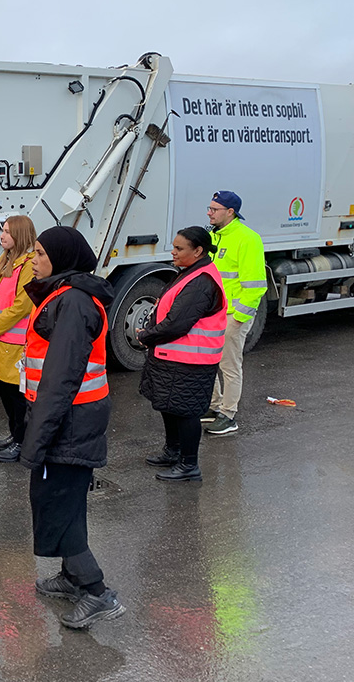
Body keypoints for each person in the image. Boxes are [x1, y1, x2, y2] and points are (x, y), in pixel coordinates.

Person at [17, 226, 125, 629]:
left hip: (69, 421)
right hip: (70, 418)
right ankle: (70, 576)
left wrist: (36, 440)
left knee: (58, 504)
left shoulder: (74, 303)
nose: (34, 259)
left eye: (41, 253)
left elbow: (60, 379)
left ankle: (96, 592)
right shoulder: (65, 296)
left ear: (62, 258)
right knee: (63, 501)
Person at [137, 227, 227, 482]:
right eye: (174, 247)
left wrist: (146, 336)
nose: (173, 252)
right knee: (171, 406)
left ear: (198, 251)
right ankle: (173, 451)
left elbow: (178, 323)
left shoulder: (201, 281)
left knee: (186, 412)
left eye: (179, 248)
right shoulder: (192, 273)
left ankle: (189, 465)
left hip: (191, 361)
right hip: (175, 358)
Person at [203, 191, 267, 435]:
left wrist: (240, 317)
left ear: (230, 212)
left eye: (214, 209)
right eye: (209, 208)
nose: (209, 212)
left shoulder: (247, 238)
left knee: (229, 365)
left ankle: (228, 415)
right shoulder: (214, 236)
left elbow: (256, 284)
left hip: (231, 314)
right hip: (213, 312)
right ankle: (214, 406)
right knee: (209, 361)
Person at [0, 215, 37, 463]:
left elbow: (21, 306)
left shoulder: (28, 265)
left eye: (7, 232)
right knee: (6, 394)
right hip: (0, 343)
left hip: (14, 346)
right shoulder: (6, 260)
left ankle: (22, 442)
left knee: (17, 398)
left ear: (20, 236)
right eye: (2, 231)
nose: (1, 236)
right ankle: (15, 436)